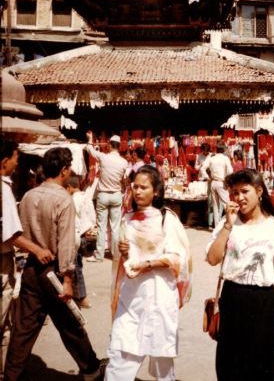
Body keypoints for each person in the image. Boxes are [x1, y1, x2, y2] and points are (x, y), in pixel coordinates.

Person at [4, 147, 103, 381]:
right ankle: (91, 370)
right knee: (71, 326)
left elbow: (20, 233)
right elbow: (67, 243)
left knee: (23, 330)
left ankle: (11, 375)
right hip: (55, 273)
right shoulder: (63, 200)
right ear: (64, 169)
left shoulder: (28, 196)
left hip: (30, 268)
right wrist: (68, 279)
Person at [206, 169, 274, 381]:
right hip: (232, 298)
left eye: (245, 191)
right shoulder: (229, 223)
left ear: (259, 190)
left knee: (260, 365)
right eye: (234, 193)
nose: (239, 198)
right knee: (229, 366)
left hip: (262, 303)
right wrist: (227, 225)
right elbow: (212, 259)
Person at [106, 165, 191, 381]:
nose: (138, 191)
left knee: (162, 358)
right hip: (130, 298)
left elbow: (177, 258)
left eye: (144, 187)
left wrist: (147, 264)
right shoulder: (126, 218)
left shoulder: (167, 219)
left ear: (157, 192)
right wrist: (123, 253)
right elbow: (121, 258)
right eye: (135, 186)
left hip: (159, 296)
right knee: (120, 354)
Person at [1, 140, 54, 342]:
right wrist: (38, 250)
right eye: (16, 158)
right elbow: (11, 233)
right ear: (5, 161)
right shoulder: (4, 188)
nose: (16, 163)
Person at [86, 132, 128, 262]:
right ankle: (116, 255)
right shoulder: (124, 162)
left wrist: (90, 139)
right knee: (115, 228)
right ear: (119, 147)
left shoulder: (103, 157)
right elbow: (124, 181)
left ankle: (99, 255)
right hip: (116, 195)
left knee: (101, 227)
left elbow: (89, 150)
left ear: (110, 145)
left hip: (103, 196)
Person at [66, 174, 96, 309]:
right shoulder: (86, 197)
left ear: (70, 187)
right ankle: (78, 295)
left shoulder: (73, 200)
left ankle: (82, 297)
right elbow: (92, 217)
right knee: (78, 265)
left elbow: (74, 219)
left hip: (77, 235)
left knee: (76, 266)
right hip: (85, 235)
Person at [200, 141, 233, 227]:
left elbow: (202, 169)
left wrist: (208, 178)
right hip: (222, 182)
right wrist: (227, 180)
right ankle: (231, 223)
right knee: (227, 204)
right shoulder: (225, 158)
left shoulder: (211, 158)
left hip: (213, 182)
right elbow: (230, 171)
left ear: (217, 149)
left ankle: (217, 226)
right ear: (224, 149)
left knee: (215, 206)